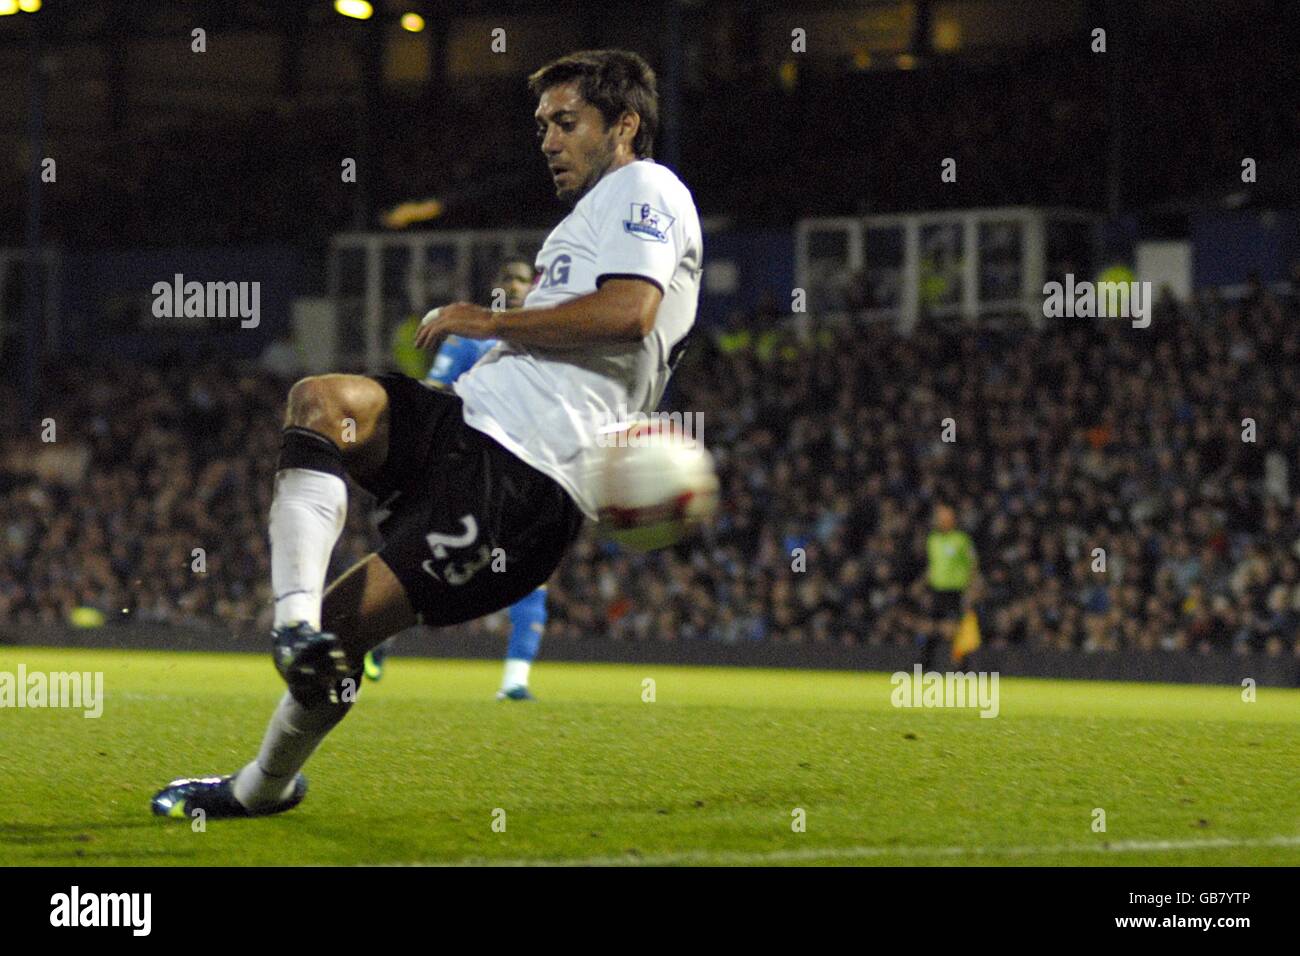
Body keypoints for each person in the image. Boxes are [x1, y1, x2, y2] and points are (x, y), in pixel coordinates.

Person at [152, 48, 703, 819]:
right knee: (321, 402)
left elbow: (630, 314)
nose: (547, 139)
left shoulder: (650, 186)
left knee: (348, 630)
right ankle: (290, 625)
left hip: (526, 477)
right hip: (470, 416)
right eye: (542, 124)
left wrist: (491, 318)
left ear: (626, 124)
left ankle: (260, 788)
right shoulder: (585, 218)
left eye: (566, 122)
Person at [364, 257, 552, 701]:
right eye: (506, 278)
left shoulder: (545, 341)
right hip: (470, 466)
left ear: (535, 287)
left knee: (532, 574)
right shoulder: (472, 339)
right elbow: (435, 391)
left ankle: (515, 684)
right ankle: (377, 637)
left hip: (524, 471)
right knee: (432, 567)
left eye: (522, 279)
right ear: (496, 287)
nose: (514, 285)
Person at [917, 503, 979, 669]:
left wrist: (971, 589)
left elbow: (973, 565)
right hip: (936, 591)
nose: (940, 520)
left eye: (944, 516)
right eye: (939, 516)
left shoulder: (962, 540)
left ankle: (962, 668)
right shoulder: (933, 540)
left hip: (956, 592)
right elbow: (933, 565)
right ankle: (924, 666)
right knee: (929, 628)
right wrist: (922, 585)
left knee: (955, 631)